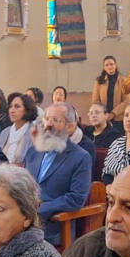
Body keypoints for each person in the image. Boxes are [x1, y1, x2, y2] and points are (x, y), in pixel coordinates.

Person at [23, 103, 92, 247]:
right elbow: (22, 187)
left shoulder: (80, 157)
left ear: (70, 126)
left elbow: (76, 199)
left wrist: (38, 210)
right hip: (22, 224)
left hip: (53, 228)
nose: (48, 124)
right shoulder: (32, 152)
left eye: (55, 120)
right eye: (47, 119)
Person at [0, 93, 38, 164]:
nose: (12, 111)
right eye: (10, 106)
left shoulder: (34, 132)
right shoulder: (5, 132)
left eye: (17, 107)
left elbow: (35, 161)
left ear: (27, 110)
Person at [91, 55, 128, 124]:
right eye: (107, 65)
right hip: (102, 118)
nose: (109, 67)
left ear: (115, 65)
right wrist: (103, 114)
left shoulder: (124, 81)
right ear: (104, 68)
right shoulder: (99, 81)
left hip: (118, 119)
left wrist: (113, 114)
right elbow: (95, 100)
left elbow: (126, 101)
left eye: (111, 64)